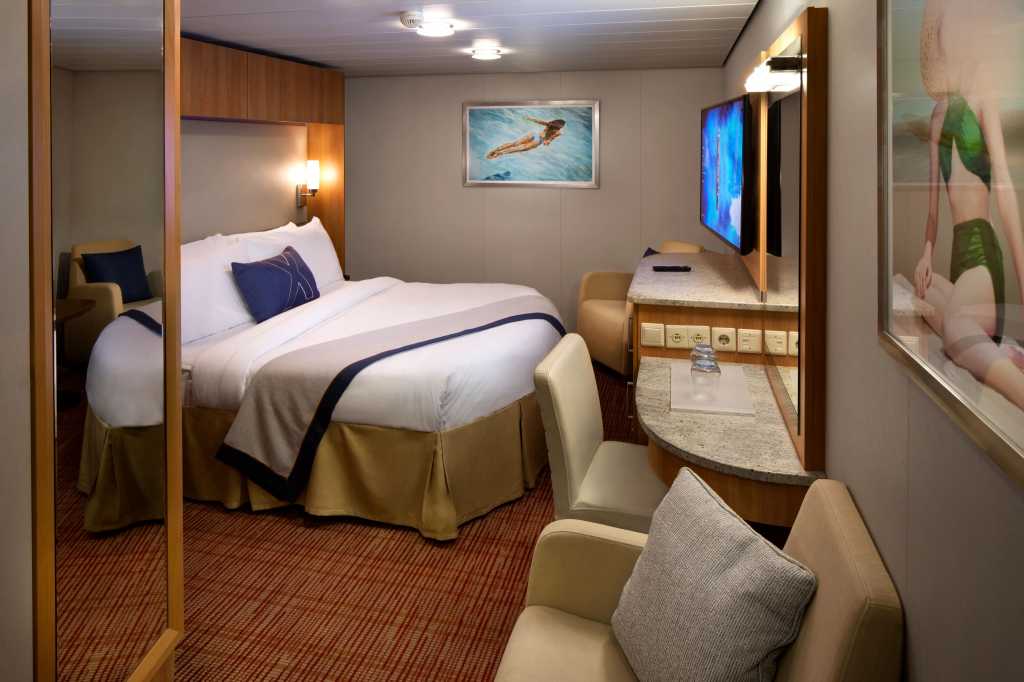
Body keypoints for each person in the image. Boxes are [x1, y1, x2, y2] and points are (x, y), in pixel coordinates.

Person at [914, 0, 1024, 408]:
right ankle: (1000, 352)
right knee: (920, 294)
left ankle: (1017, 386)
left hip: (981, 256)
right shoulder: (936, 117)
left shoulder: (983, 92)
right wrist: (927, 254)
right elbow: (932, 213)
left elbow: (1006, 191)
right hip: (958, 258)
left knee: (956, 327)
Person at [486, 116, 565, 159]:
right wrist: (547, 142)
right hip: (538, 140)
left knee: (514, 143)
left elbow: (538, 121)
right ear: (561, 126)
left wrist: (529, 118)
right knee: (519, 148)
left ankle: (495, 150)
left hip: (534, 134)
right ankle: (499, 153)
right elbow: (550, 139)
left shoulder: (549, 124)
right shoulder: (558, 132)